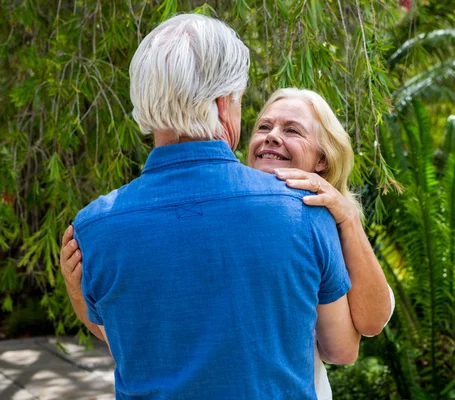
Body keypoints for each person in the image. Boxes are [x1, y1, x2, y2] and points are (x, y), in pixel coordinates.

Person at [60, 14, 361, 399]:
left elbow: (126, 340)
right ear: (223, 105)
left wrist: (77, 291)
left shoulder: (94, 228)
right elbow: (340, 349)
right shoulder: (304, 210)